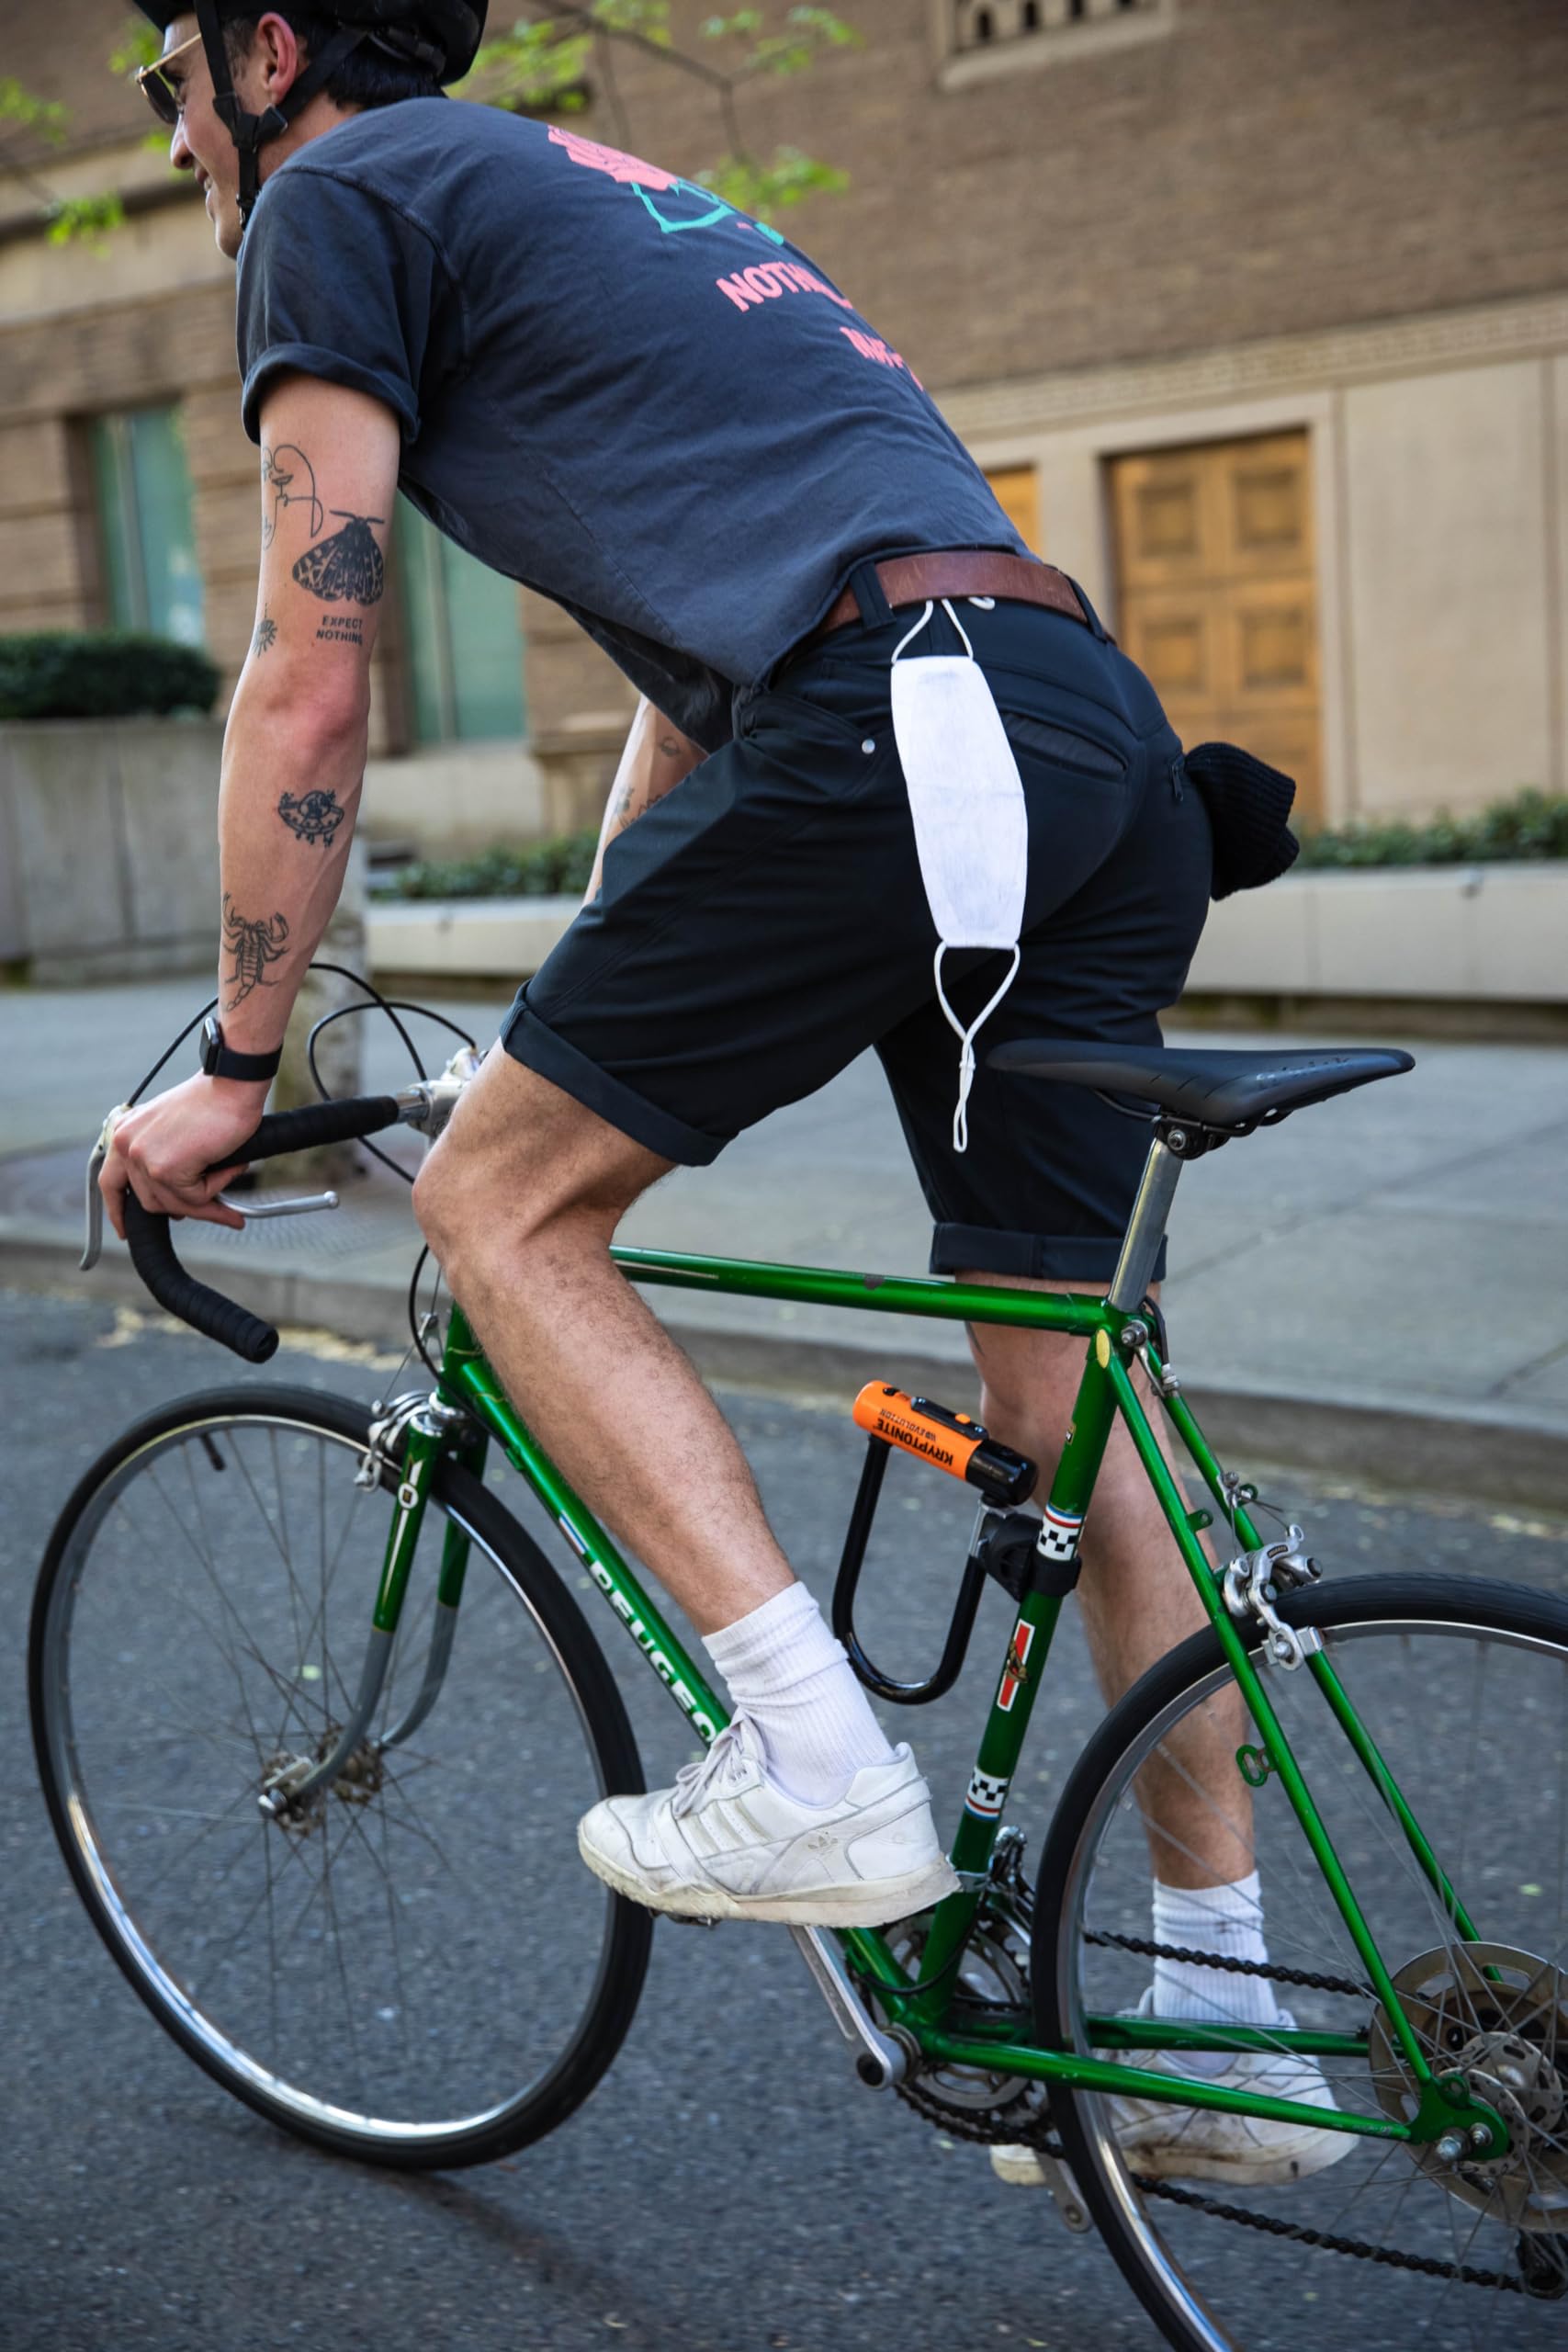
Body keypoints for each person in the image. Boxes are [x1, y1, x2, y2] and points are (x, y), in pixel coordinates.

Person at [100, 0, 1340, 2187]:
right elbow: (706, 690)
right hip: (1073, 730)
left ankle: (812, 1766)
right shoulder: (611, 197)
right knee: (1068, 1381)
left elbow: (307, 673)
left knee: (499, 1214)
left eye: (167, 80)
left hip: (898, 726)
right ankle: (1225, 2021)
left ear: (267, 50)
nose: (170, 131)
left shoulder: (337, 198)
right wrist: (560, 1031)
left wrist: (232, 1064)